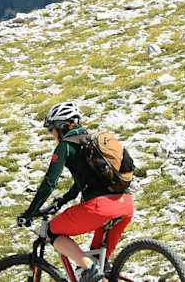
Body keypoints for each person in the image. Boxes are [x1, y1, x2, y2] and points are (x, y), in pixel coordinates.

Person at [17, 101, 134, 282]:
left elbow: (49, 183)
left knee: (53, 232)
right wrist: (60, 202)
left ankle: (91, 268)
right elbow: (79, 185)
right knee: (97, 265)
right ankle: (97, 271)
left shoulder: (65, 146)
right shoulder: (89, 142)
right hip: (125, 204)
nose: (52, 135)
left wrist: (30, 212)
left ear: (61, 127)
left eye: (52, 130)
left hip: (99, 208)